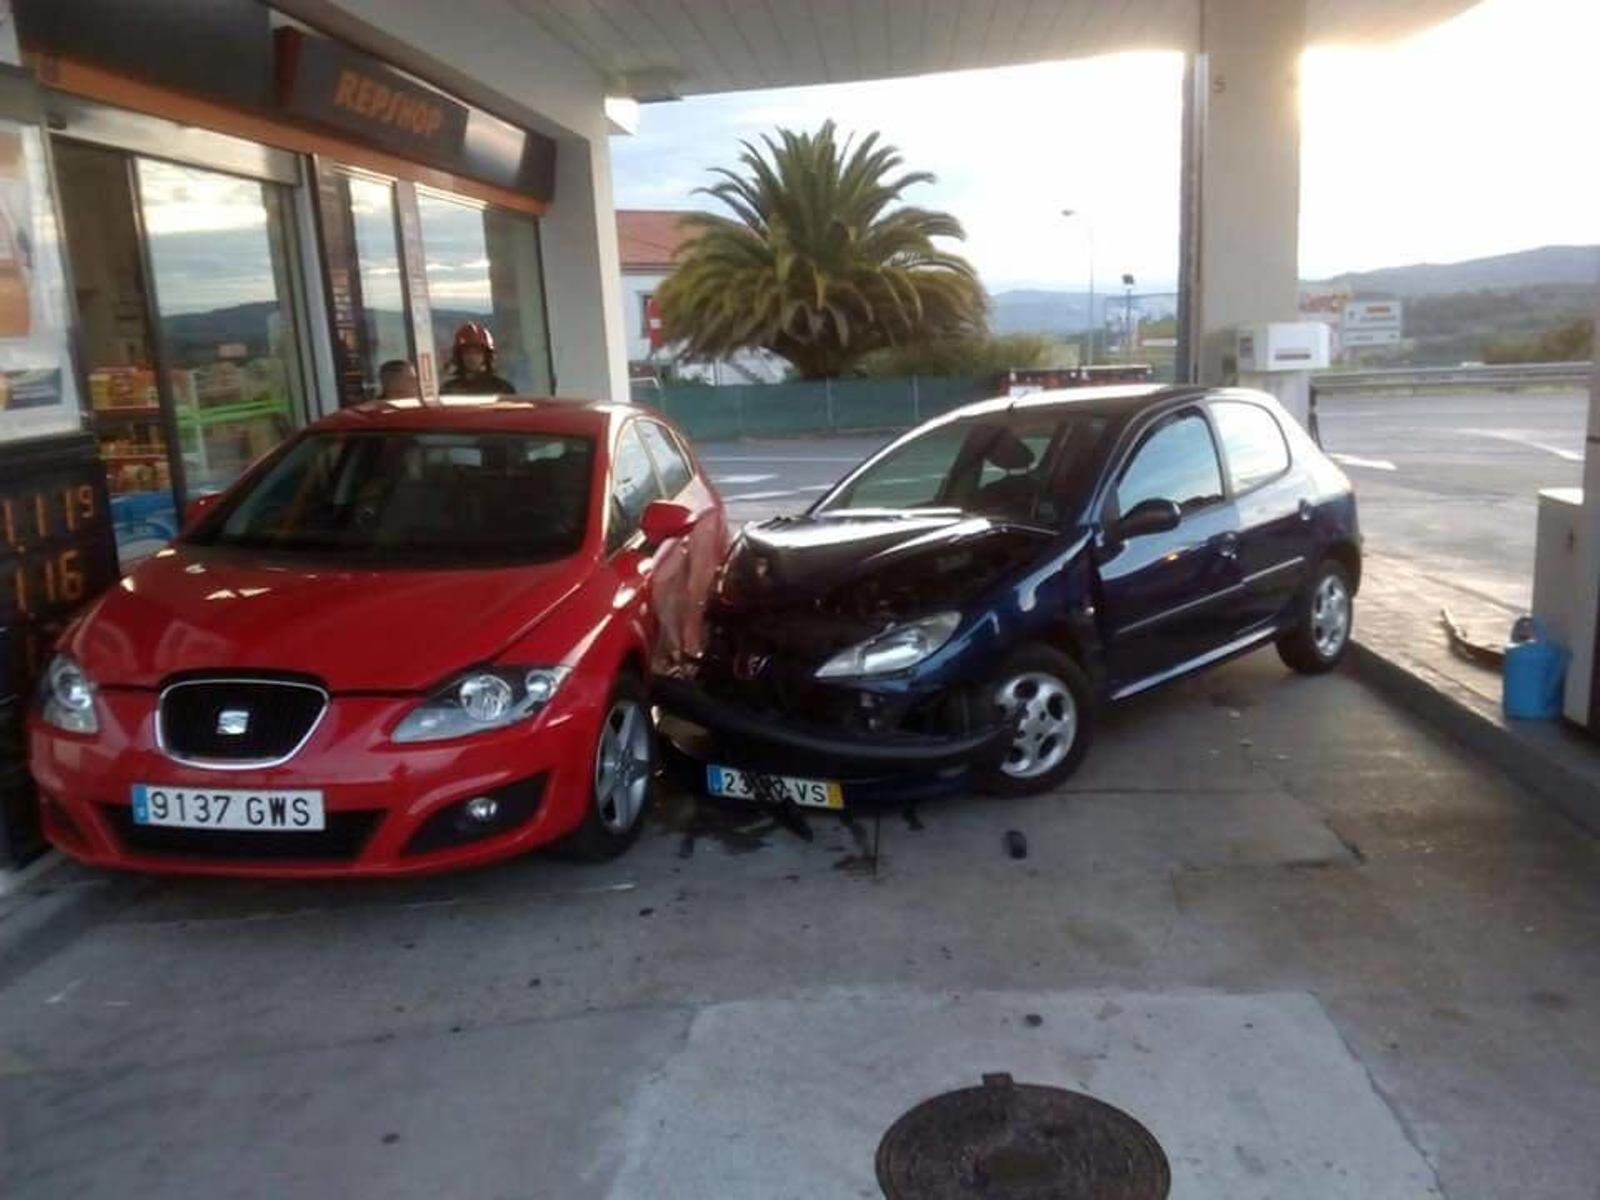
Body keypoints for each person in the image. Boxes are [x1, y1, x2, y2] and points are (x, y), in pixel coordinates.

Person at [441, 322, 514, 394]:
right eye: (467, 353)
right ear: (459, 357)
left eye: (478, 352)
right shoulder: (448, 390)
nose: (472, 357)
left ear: (486, 356)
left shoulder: (503, 389)